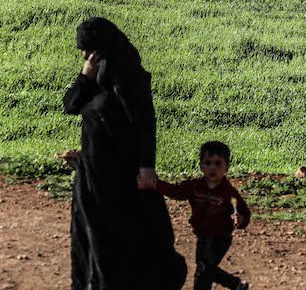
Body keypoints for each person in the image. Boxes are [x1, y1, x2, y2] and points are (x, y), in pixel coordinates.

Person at [64, 17, 187, 290]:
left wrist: (146, 166)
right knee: (94, 236)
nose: (85, 54)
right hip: (94, 174)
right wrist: (84, 76)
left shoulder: (128, 79)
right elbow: (70, 105)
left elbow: (144, 124)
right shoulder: (95, 78)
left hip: (122, 173)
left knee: (121, 234)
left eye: (89, 49)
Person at [157, 141, 251, 290]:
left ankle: (233, 284)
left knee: (204, 268)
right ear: (201, 166)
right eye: (208, 163)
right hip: (203, 236)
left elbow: (243, 212)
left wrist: (241, 219)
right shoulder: (195, 186)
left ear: (227, 167)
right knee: (206, 268)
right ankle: (236, 284)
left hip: (220, 237)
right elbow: (176, 191)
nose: (212, 167)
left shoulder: (228, 193)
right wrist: (156, 184)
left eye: (218, 163)